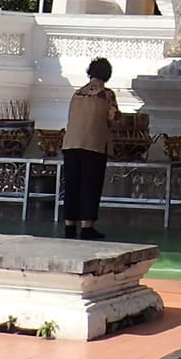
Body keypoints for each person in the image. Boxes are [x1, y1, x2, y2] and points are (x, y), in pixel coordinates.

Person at [61, 57, 119, 239]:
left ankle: (69, 225)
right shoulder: (106, 94)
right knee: (90, 185)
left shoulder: (77, 93)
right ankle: (87, 226)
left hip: (70, 143)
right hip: (93, 144)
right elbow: (114, 119)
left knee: (72, 185)